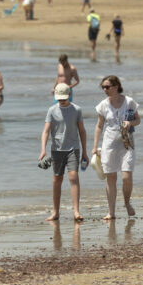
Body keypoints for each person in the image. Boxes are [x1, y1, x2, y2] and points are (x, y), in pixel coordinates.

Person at [91, 75, 140, 220]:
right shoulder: (103, 105)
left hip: (127, 144)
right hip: (109, 145)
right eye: (103, 87)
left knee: (127, 176)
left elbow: (138, 119)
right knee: (110, 178)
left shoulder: (129, 102)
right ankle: (111, 212)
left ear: (116, 86)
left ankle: (127, 202)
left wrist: (131, 123)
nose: (105, 90)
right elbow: (99, 126)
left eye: (107, 87)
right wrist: (95, 146)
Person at [40, 83, 89, 222]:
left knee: (73, 177)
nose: (61, 100)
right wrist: (43, 149)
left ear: (69, 95)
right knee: (57, 180)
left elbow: (82, 131)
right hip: (56, 150)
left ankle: (76, 211)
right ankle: (55, 212)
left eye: (63, 98)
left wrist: (85, 152)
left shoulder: (77, 110)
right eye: (59, 98)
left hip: (73, 148)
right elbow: (45, 131)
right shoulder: (51, 110)